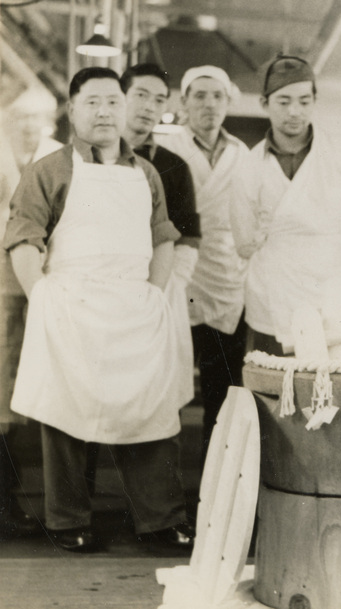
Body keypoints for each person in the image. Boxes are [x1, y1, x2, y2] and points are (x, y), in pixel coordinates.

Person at [2, 67, 193, 552]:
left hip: (134, 307)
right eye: (93, 102)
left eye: (113, 101)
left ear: (124, 108)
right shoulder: (48, 170)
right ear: (73, 109)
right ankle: (67, 521)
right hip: (70, 303)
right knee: (65, 419)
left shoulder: (145, 173)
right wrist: (40, 293)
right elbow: (23, 237)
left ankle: (159, 520)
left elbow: (163, 238)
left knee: (150, 414)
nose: (105, 111)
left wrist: (154, 292)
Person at [230, 55, 341, 352]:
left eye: (303, 101)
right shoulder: (249, 166)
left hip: (338, 281)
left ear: (314, 101)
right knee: (276, 383)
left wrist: (332, 244)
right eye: (283, 102)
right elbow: (244, 241)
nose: (294, 112)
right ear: (264, 104)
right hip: (277, 287)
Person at [156, 66, 250, 458]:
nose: (209, 104)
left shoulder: (243, 153)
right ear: (183, 102)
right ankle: (164, 484)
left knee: (221, 393)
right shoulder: (167, 148)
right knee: (169, 388)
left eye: (217, 96)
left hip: (229, 278)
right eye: (199, 95)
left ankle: (214, 482)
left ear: (228, 102)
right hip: (181, 275)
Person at [0, 87, 62, 539]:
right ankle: (7, 498)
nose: (26, 125)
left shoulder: (59, 158)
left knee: (44, 383)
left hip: (46, 279)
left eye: (36, 118)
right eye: (19, 116)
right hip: (1, 288)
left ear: (51, 122)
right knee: (1, 386)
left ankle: (54, 503)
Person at [121, 63, 201, 407]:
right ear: (119, 97)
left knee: (154, 391)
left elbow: (189, 236)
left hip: (160, 286)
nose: (149, 107)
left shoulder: (174, 165)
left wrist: (169, 285)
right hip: (102, 285)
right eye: (140, 95)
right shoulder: (89, 156)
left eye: (158, 100)